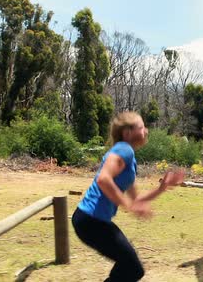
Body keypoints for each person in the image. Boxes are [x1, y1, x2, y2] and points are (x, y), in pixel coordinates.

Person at [72, 111, 184, 282]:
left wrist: (162, 188)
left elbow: (136, 200)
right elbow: (104, 179)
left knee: (130, 267)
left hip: (92, 221)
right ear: (128, 133)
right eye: (141, 127)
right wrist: (128, 205)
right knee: (132, 267)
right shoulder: (124, 150)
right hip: (90, 221)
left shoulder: (128, 158)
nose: (146, 131)